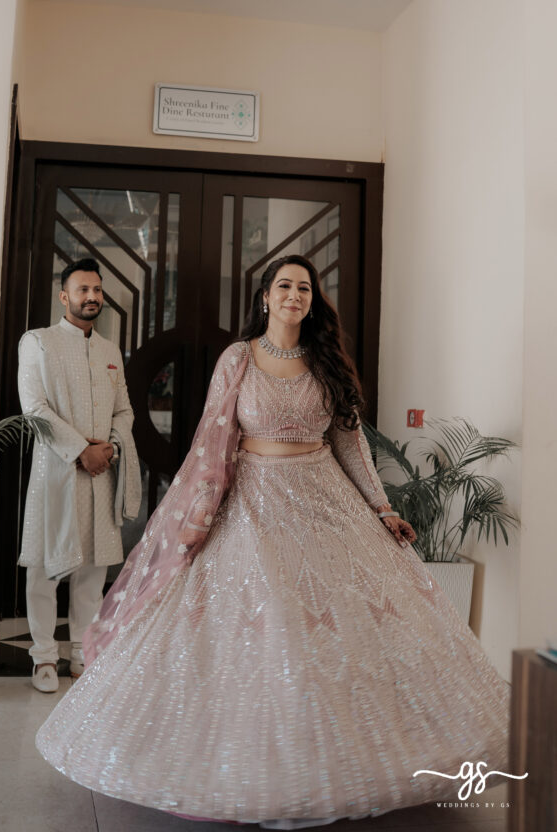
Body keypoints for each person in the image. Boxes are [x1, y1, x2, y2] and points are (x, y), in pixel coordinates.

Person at [35, 255, 509, 825]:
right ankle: (262, 764)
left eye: (304, 287)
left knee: (341, 628)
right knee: (270, 628)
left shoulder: (328, 362)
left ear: (312, 300)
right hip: (252, 506)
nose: (294, 295)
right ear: (265, 297)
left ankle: (342, 759)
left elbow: (350, 443)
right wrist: (198, 514)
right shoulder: (239, 358)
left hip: (325, 502)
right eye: (284, 285)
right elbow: (213, 437)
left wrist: (381, 507)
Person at [17, 257, 141, 693]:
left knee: (91, 572)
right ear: (64, 295)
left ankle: (80, 656)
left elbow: (124, 410)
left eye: (97, 290)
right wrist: (80, 450)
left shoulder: (109, 352)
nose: (92, 297)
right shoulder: (38, 342)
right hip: (57, 471)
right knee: (46, 570)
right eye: (82, 289)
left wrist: (110, 445)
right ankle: (43, 659)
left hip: (101, 472)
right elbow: (34, 408)